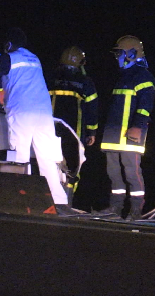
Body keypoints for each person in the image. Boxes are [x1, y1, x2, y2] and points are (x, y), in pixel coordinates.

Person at [0, 28, 75, 215]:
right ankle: (60, 203)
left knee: (19, 158)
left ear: (9, 44)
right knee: (46, 158)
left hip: (23, 113)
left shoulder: (9, 58)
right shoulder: (34, 58)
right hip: (44, 114)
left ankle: (25, 199)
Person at [98, 35, 155, 220]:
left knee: (132, 172)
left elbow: (146, 106)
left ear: (131, 53)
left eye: (120, 53)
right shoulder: (123, 77)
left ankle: (136, 210)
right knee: (113, 172)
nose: (117, 58)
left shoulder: (143, 76)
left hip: (130, 134)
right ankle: (115, 208)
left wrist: (138, 127)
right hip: (114, 134)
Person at [49, 46, 98, 202]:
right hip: (74, 133)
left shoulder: (51, 77)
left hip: (50, 129)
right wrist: (92, 131)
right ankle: (66, 201)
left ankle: (47, 197)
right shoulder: (85, 82)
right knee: (72, 166)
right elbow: (92, 107)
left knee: (48, 161)